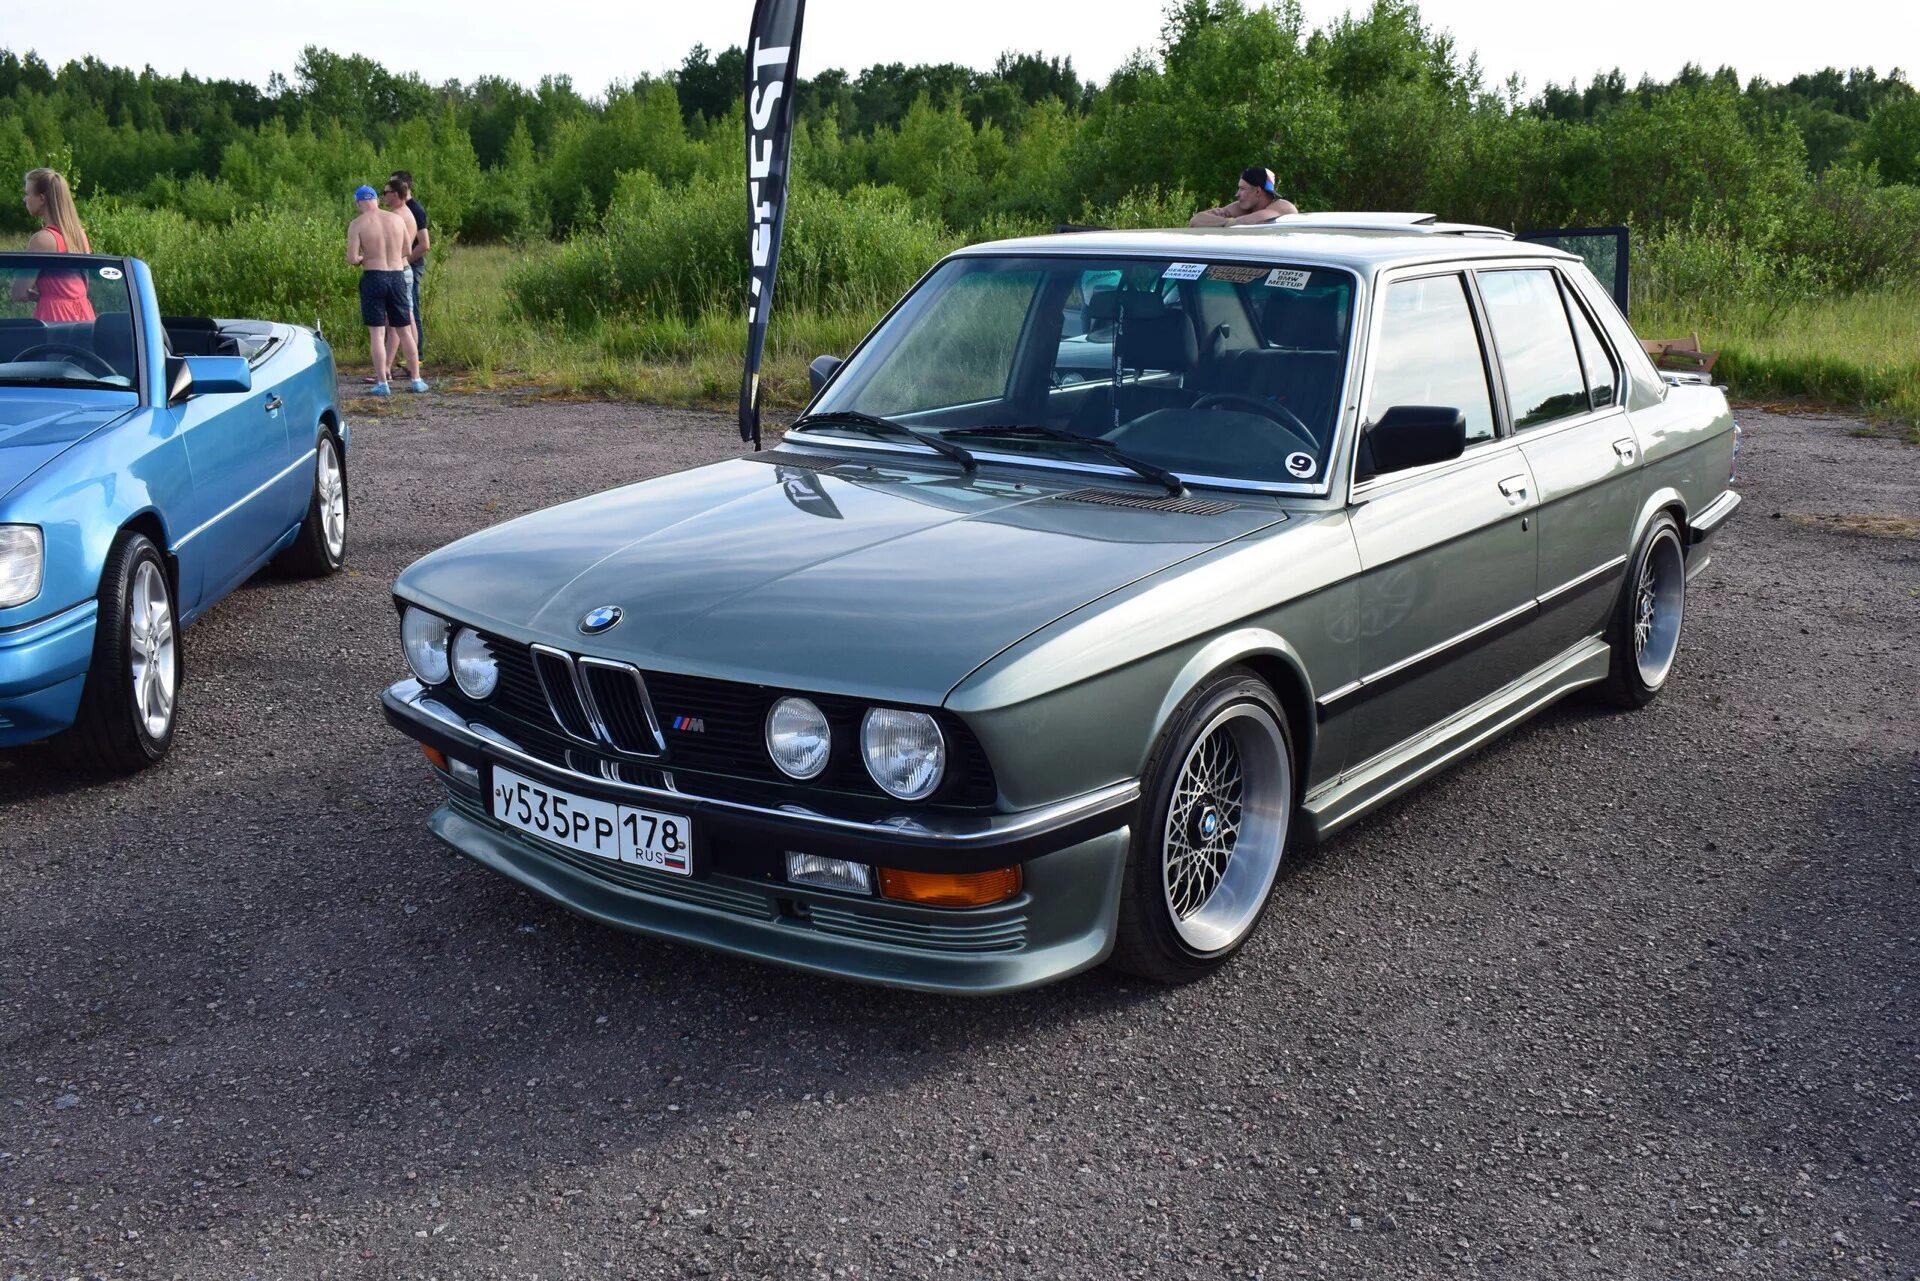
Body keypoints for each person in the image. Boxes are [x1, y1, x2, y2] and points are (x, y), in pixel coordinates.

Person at [346, 184, 426, 395]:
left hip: (374, 277)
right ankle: (416, 379)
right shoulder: (396, 219)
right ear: (376, 200)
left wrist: (365, 258)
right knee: (404, 330)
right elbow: (407, 250)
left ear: (358, 203)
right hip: (397, 276)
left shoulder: (357, 224)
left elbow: (352, 258)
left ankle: (382, 383)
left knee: (377, 332)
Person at [12, 167, 95, 323]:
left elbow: (19, 292)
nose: (25, 199)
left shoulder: (42, 240)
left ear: (42, 198)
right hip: (84, 316)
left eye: (27, 194)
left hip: (55, 317)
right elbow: (82, 283)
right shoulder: (80, 235)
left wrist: (40, 294)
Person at [388, 170, 430, 357]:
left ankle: (416, 356)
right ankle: (407, 356)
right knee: (404, 312)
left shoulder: (415, 209)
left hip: (411, 264)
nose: (389, 189)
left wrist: (404, 262)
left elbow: (424, 244)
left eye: (393, 184)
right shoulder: (399, 209)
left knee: (411, 312)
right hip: (402, 265)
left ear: (404, 186)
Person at [1189, 167, 1299, 227]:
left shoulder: (1283, 207)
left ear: (1257, 191)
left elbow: (1259, 219)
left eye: (1242, 189)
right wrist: (1229, 222)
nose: (1237, 194)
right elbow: (1196, 220)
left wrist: (1226, 222)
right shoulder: (1242, 208)